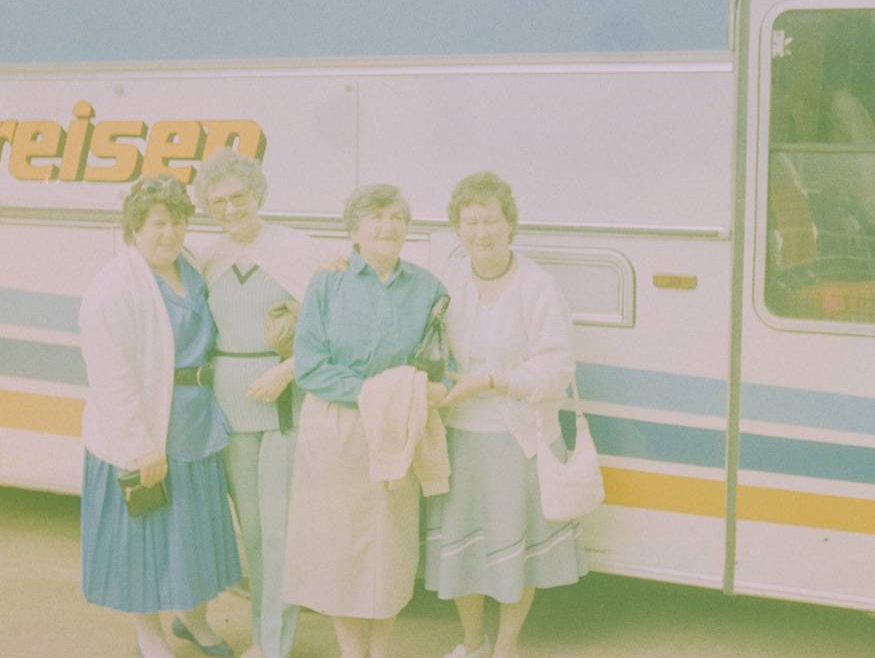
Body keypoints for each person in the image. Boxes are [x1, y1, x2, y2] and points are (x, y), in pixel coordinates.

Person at [426, 171, 589, 658]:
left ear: (511, 225)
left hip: (519, 438)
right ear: (457, 228)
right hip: (459, 435)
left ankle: (506, 646)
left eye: (491, 220)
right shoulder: (448, 281)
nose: (481, 232)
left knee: (514, 551)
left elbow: (557, 367)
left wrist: (496, 382)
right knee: (464, 553)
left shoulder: (537, 285)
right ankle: (471, 644)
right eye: (470, 221)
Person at [282, 184, 447, 658]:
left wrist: (426, 392)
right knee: (342, 550)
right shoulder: (326, 284)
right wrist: (377, 393)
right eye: (375, 217)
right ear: (353, 231)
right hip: (337, 430)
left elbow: (438, 363)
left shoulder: (428, 287)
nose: (387, 226)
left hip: (398, 429)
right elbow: (310, 366)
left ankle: (380, 651)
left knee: (389, 550)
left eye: (396, 217)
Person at [78, 174, 240, 658]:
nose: (169, 233)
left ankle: (195, 621)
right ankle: (149, 634)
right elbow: (112, 375)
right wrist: (139, 446)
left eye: (177, 222)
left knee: (195, 534)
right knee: (144, 541)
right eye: (157, 224)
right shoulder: (114, 285)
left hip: (196, 424)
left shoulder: (190, 267)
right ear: (135, 227)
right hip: (149, 429)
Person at [194, 149, 328, 658]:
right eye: (219, 201)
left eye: (239, 197)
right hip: (228, 410)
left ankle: (273, 644)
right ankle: (262, 632)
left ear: (258, 194)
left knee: (279, 532)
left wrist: (287, 370)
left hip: (281, 406)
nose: (230, 209)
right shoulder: (208, 256)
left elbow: (323, 327)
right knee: (252, 532)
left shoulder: (295, 247)